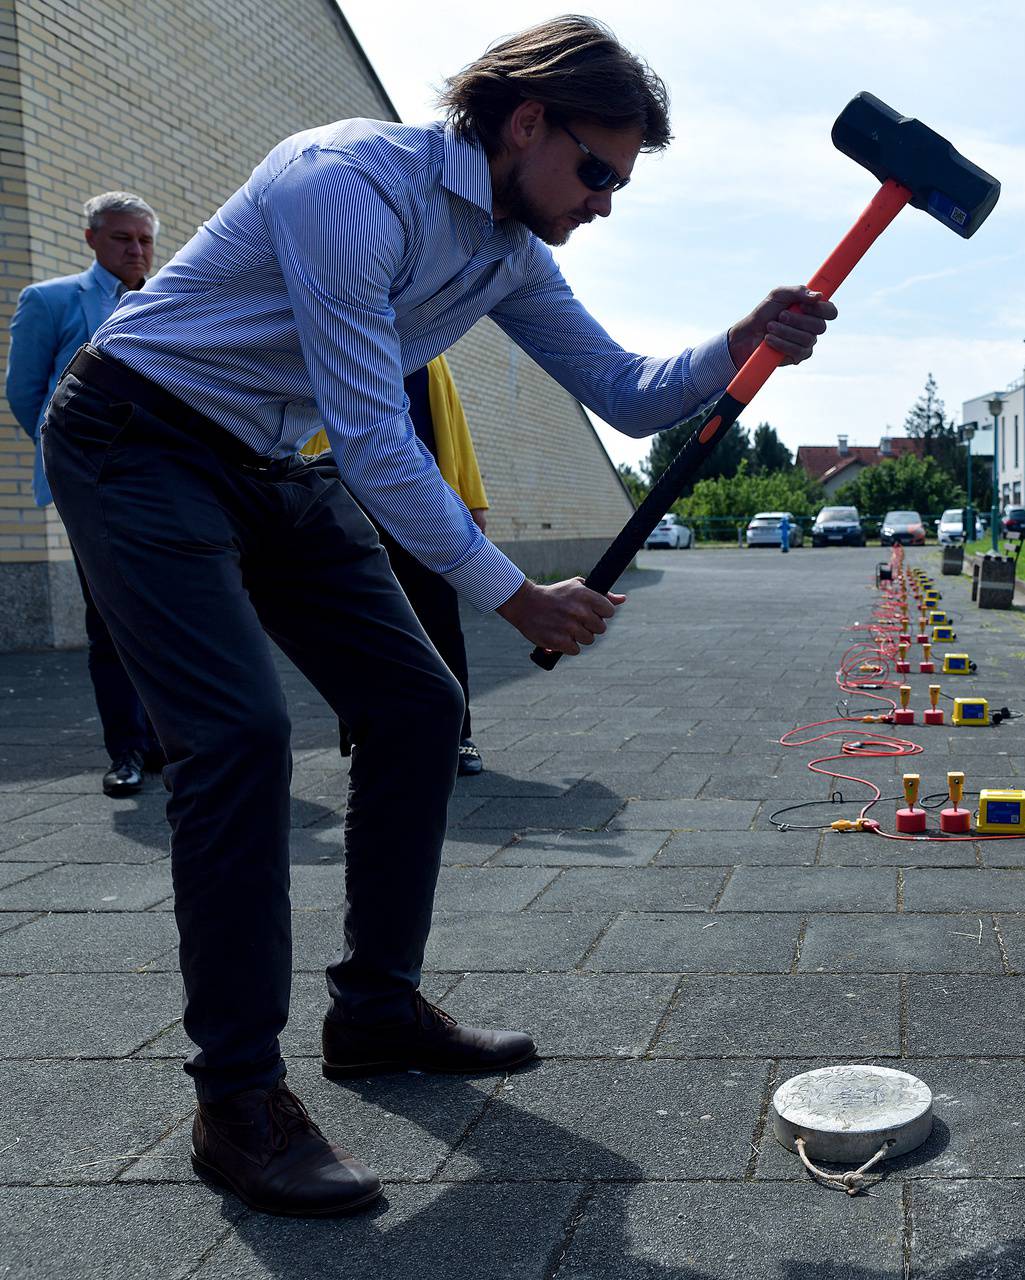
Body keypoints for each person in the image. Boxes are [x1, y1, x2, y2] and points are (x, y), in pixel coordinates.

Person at [41, 16, 834, 1217]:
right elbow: (373, 436)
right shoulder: (348, 185)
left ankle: (374, 1008)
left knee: (418, 702)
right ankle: (238, 1104)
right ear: (526, 122)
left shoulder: (510, 243)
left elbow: (626, 393)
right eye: (601, 172)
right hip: (136, 435)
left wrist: (746, 337)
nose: (608, 201)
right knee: (241, 741)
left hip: (270, 459)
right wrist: (519, 594)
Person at [5, 192, 164, 796]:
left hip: (161, 480)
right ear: (92, 238)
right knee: (109, 621)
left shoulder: (167, 298)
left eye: (145, 240)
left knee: (164, 617)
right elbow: (26, 394)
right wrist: (72, 460)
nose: (136, 250)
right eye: (123, 238)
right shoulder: (50, 301)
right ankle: (126, 751)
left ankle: (164, 744)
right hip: (92, 484)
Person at [310, 355, 491, 776]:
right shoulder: (333, 327)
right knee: (355, 622)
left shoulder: (432, 347)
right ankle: (363, 736)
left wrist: (471, 495)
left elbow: (451, 420)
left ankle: (457, 736)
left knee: (440, 620)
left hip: (423, 501)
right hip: (350, 496)